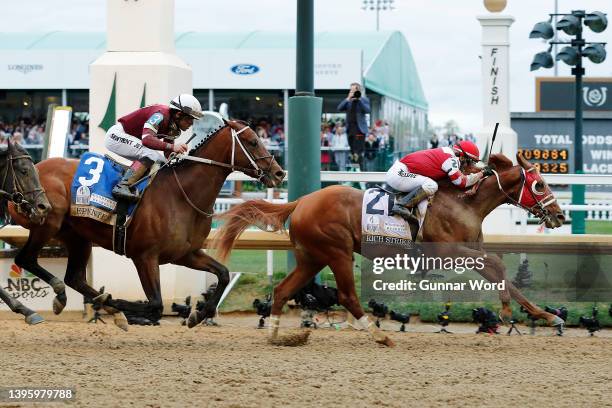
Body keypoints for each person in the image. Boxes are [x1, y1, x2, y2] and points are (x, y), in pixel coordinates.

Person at [105, 94, 203, 202]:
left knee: (162, 161)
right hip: (117, 135)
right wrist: (173, 147)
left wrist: (172, 155)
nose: (191, 124)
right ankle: (122, 186)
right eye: (190, 119)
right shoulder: (160, 114)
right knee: (151, 155)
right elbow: (146, 139)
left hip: (132, 139)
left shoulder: (173, 125)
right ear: (179, 114)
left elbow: (167, 154)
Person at [385, 140, 493, 222]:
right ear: (463, 157)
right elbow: (461, 182)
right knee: (432, 185)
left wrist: (481, 172)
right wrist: (481, 174)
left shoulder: (449, 154)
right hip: (399, 174)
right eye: (471, 162)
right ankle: (401, 206)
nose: (471, 165)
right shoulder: (451, 159)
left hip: (401, 171)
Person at [337, 83, 370, 167]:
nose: (352, 92)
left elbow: (367, 110)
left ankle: (361, 171)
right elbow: (339, 108)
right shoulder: (348, 101)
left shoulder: (364, 99)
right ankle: (355, 169)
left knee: (358, 150)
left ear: (358, 91)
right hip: (350, 130)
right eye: (351, 90)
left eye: (354, 90)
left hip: (359, 130)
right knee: (352, 151)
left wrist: (359, 100)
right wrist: (348, 98)